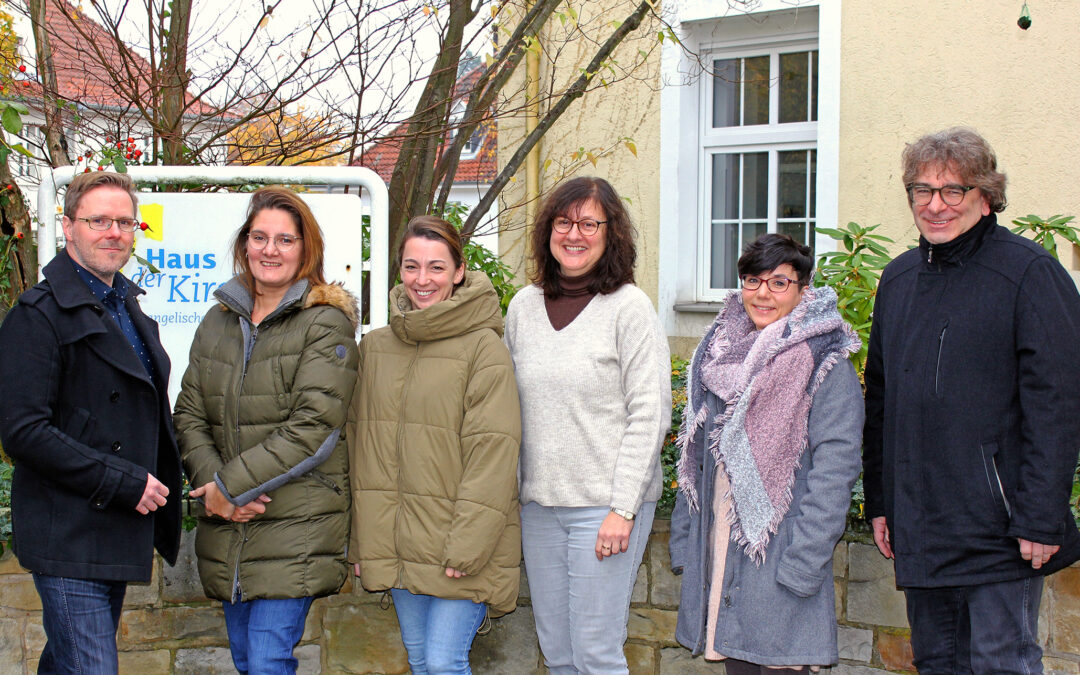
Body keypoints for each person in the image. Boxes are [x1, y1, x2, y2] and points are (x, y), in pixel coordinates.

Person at [863, 127, 1080, 673]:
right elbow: (882, 404)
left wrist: (1040, 517)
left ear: (986, 196)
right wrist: (883, 502)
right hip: (922, 526)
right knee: (937, 664)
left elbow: (1057, 404)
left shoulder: (1030, 275)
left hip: (1000, 532)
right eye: (922, 191)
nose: (935, 206)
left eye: (952, 191)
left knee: (999, 665)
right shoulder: (898, 280)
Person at [0, 171, 182, 673]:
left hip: (113, 530)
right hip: (69, 533)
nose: (114, 232)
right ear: (68, 227)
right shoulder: (37, 315)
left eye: (124, 221)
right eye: (98, 220)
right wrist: (122, 481)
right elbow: (23, 431)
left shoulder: (126, 307)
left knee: (68, 663)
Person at [173, 186, 359, 675]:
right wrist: (217, 490)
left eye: (285, 239)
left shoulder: (324, 323)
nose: (270, 250)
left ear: (306, 248)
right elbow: (189, 413)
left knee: (267, 661)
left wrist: (230, 487)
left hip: (293, 525)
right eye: (260, 237)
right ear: (244, 244)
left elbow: (313, 429)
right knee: (245, 660)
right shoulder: (218, 321)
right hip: (228, 528)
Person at [669, 234, 862, 673]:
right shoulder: (717, 353)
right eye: (753, 280)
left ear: (802, 289)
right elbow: (695, 457)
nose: (763, 293)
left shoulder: (826, 361)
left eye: (779, 282)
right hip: (722, 548)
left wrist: (802, 563)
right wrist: (686, 543)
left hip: (778, 556)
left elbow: (836, 470)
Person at [504, 176, 671, 674]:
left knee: (597, 654)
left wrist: (622, 508)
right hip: (539, 507)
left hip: (604, 509)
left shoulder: (630, 309)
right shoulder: (522, 307)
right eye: (563, 222)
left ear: (610, 233)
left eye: (588, 224)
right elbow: (507, 409)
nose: (574, 235)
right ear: (548, 231)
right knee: (558, 655)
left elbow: (650, 413)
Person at [348, 216, 521, 675]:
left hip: (462, 547)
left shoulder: (485, 348)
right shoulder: (377, 347)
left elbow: (494, 454)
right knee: (422, 660)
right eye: (411, 266)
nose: (422, 280)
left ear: (460, 271)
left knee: (445, 662)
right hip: (399, 543)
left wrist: (467, 547)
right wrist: (364, 544)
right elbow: (361, 452)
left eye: (436, 268)